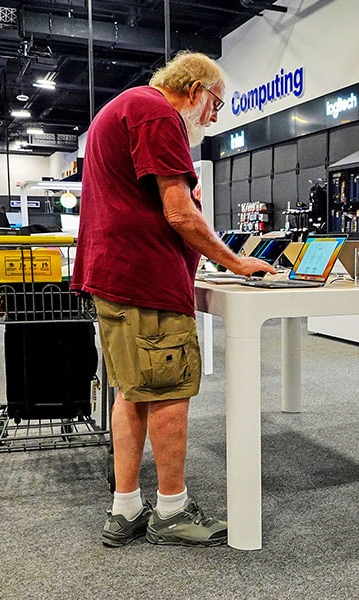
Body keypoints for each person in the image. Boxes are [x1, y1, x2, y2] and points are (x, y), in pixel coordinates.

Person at [71, 51, 277, 547]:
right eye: (216, 105)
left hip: (116, 276)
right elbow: (179, 214)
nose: (212, 117)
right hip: (147, 280)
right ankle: (171, 510)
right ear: (195, 90)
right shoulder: (158, 113)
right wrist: (236, 262)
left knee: (131, 390)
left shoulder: (124, 107)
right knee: (167, 390)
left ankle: (126, 509)